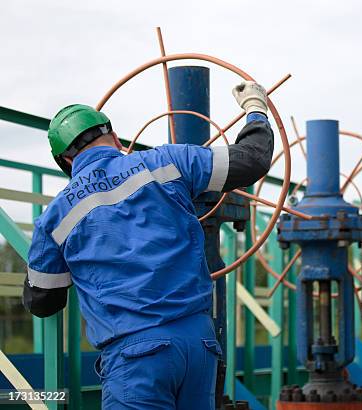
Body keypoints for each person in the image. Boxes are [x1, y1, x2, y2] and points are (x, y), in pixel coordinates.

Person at [22, 81, 273, 409]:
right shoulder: (168, 162)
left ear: (66, 163)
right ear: (114, 138)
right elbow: (252, 160)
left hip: (135, 358)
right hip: (200, 345)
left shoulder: (55, 218)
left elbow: (42, 301)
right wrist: (255, 107)